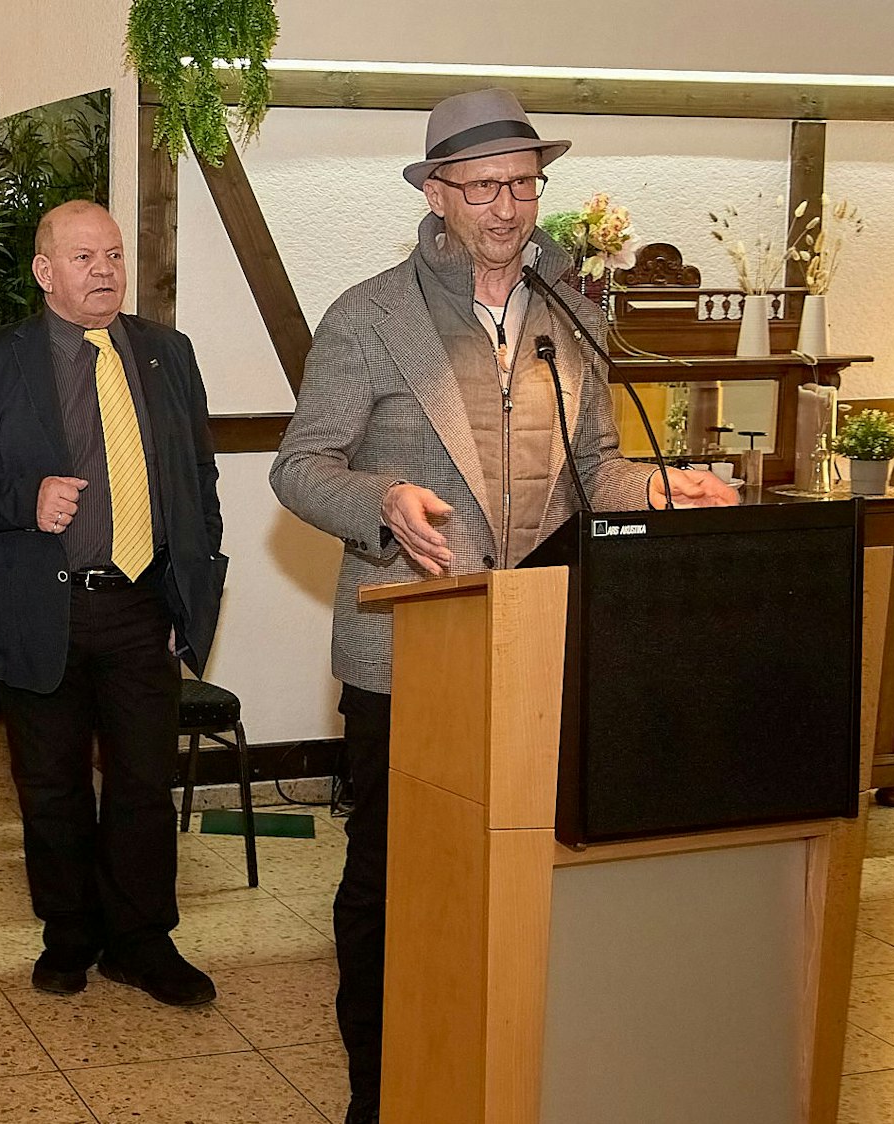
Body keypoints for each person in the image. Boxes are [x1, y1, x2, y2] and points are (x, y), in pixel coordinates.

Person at [267, 87, 737, 1124]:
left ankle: (507, 1069)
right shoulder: (370, 315)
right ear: (437, 193)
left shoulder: (572, 313)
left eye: (525, 184)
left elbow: (595, 470)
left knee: (529, 870)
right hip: (410, 647)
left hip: (544, 648)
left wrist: (661, 488)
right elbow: (300, 467)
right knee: (392, 881)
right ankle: (379, 1088)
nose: (508, 208)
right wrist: (383, 501)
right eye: (484, 187)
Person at [0, 200, 227, 1008]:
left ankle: (143, 941)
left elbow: (199, 480)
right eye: (86, 258)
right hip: (42, 608)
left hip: (141, 606)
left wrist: (194, 585)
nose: (104, 272)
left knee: (140, 784)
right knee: (51, 786)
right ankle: (69, 934)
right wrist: (26, 499)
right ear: (45, 271)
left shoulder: (167, 354)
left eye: (115, 256)